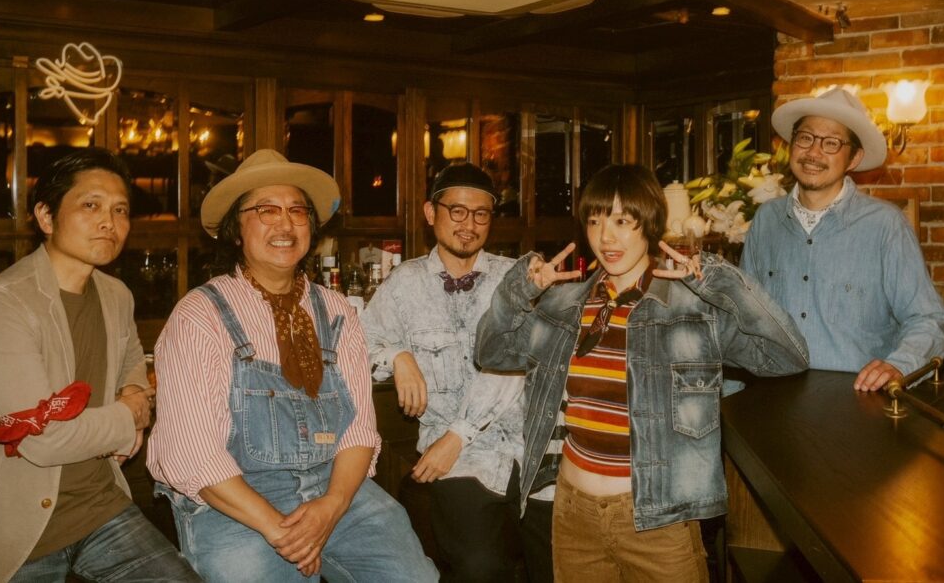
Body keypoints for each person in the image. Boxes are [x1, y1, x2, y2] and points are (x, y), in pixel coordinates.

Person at [475, 164, 809, 582]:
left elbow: (786, 356)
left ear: (649, 223)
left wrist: (722, 283)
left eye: (621, 221)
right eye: (595, 221)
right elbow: (491, 351)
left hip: (658, 521)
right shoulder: (565, 305)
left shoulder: (691, 309)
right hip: (574, 513)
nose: (605, 237)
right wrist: (519, 291)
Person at [147, 149, 436, 583]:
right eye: (266, 210)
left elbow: (359, 432)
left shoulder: (336, 311)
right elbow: (194, 455)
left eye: (297, 210)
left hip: (334, 486)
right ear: (236, 229)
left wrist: (332, 506)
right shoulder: (200, 316)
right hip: (234, 498)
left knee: (413, 577)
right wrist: (281, 531)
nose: (285, 224)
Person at [0, 148, 200, 582]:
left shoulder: (115, 294)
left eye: (120, 210)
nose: (109, 222)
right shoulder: (1, 306)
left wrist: (133, 391)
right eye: (91, 205)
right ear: (45, 216)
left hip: (97, 504)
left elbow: (130, 359)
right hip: (11, 522)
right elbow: (42, 439)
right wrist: (129, 417)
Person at [362, 163, 550, 583]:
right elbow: (360, 343)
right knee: (480, 568)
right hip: (460, 464)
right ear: (431, 213)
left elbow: (516, 364)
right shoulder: (404, 284)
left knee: (560, 567)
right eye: (458, 211)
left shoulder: (518, 278)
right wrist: (397, 356)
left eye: (481, 214)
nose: (469, 225)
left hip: (534, 454)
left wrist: (457, 434)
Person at [741, 88, 944, 391]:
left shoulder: (885, 225)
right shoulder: (766, 220)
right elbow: (744, 315)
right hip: (773, 396)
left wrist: (900, 364)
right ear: (791, 144)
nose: (814, 153)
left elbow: (927, 317)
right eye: (806, 137)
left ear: (854, 158)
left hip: (858, 401)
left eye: (831, 143)